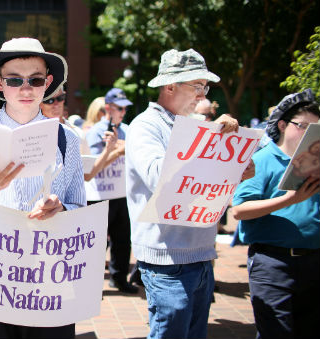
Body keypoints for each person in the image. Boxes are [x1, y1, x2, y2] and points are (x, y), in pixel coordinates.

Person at [0, 37, 85, 339]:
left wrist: (60, 208)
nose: (26, 89)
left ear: (47, 83)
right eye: (14, 79)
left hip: (50, 280)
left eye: (35, 80)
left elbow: (81, 209)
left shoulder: (67, 140)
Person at [125, 49, 243, 339]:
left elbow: (205, 184)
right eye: (197, 86)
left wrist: (236, 166)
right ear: (170, 86)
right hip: (166, 257)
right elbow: (157, 176)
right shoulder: (146, 125)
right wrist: (208, 144)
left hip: (200, 252)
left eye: (205, 87)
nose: (202, 96)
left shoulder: (195, 126)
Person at [232, 89, 319, 339]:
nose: (309, 134)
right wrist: (290, 199)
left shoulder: (316, 161)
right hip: (273, 263)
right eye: (303, 126)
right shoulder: (262, 160)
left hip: (313, 260)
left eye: (315, 129)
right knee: (276, 332)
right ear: (282, 125)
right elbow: (239, 210)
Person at [85, 87, 137, 293]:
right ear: (108, 108)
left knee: (123, 240)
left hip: (122, 193)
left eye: (125, 109)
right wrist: (116, 150)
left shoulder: (128, 130)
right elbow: (95, 165)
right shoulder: (96, 131)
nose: (123, 112)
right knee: (97, 244)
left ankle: (119, 278)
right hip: (99, 195)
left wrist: (120, 148)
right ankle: (91, 285)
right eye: (119, 108)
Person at [39, 87, 90, 154]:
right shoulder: (32, 136)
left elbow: (87, 163)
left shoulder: (78, 134)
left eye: (60, 98)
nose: (56, 104)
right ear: (39, 103)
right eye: (49, 100)